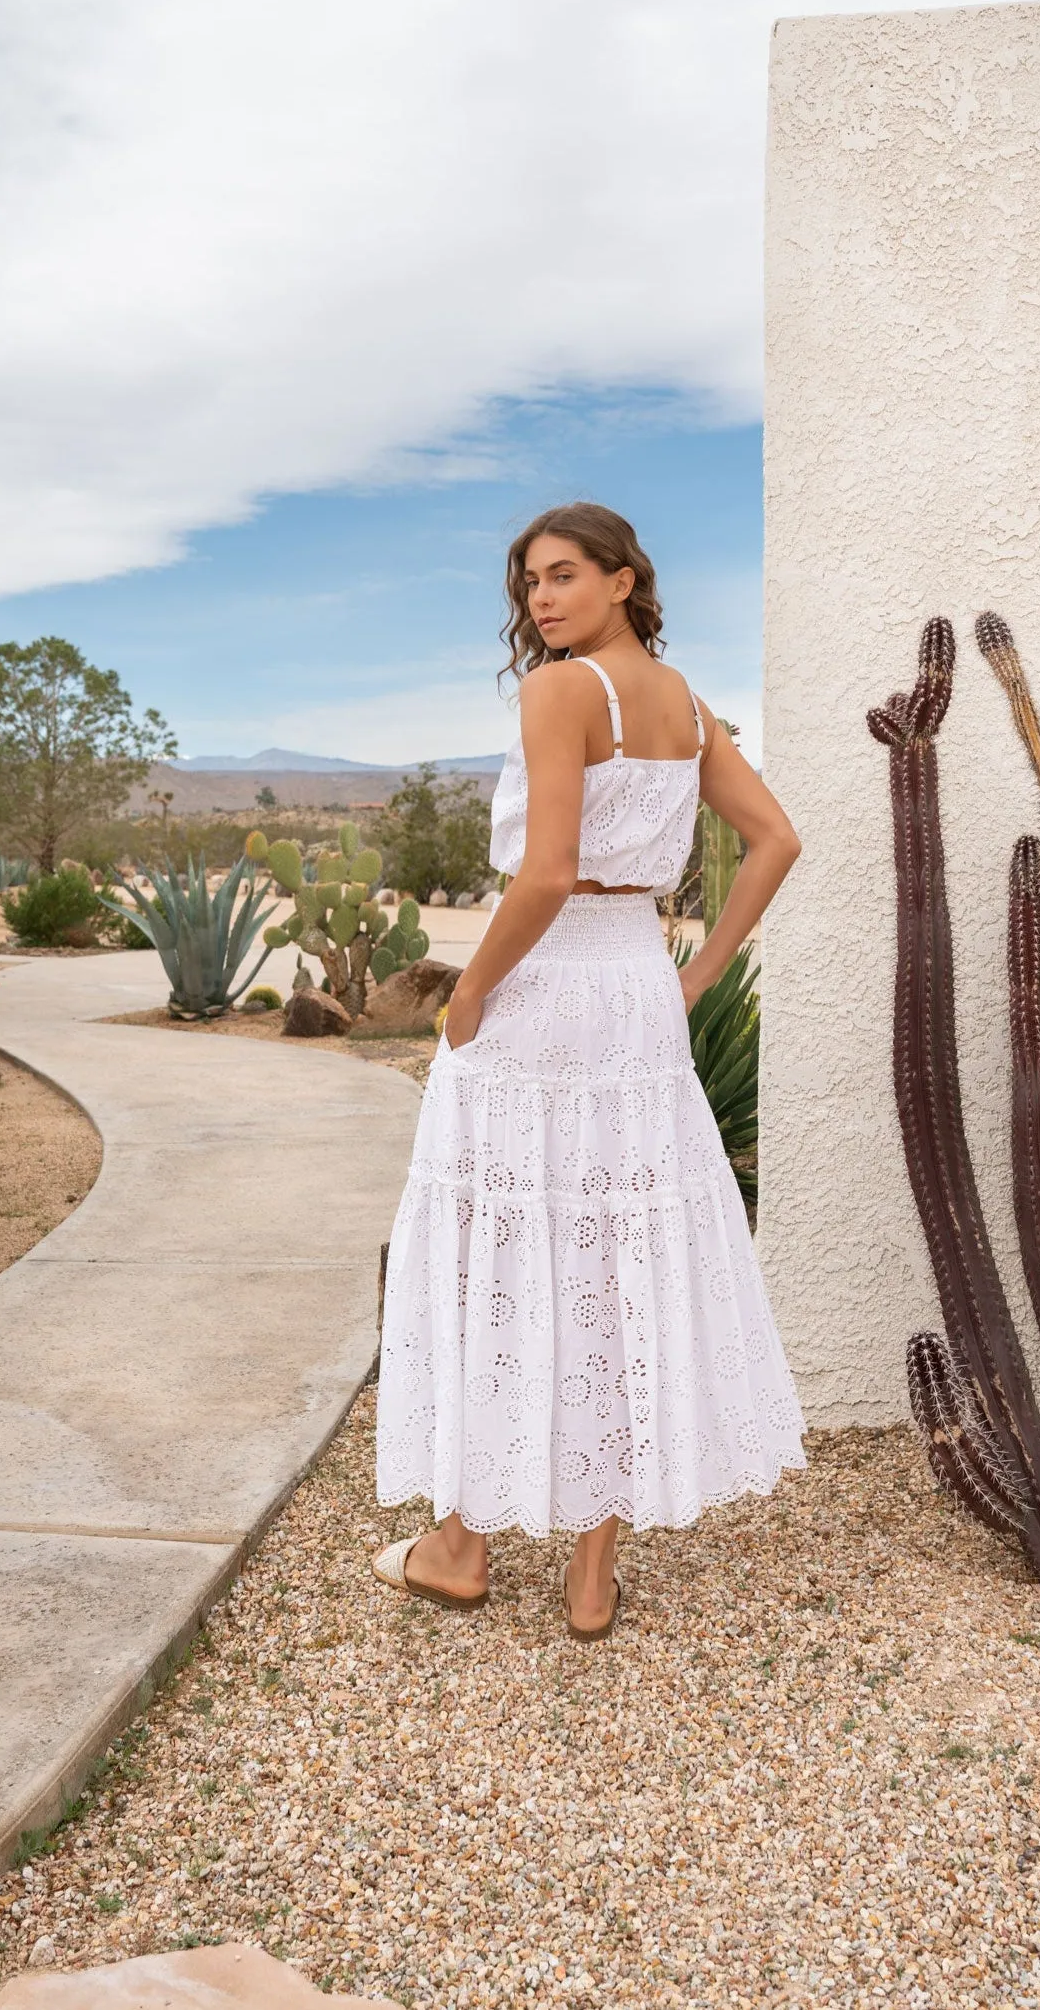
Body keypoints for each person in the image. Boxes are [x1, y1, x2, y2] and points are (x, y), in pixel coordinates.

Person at [373, 501, 806, 1637]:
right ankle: (591, 1576)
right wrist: (696, 972)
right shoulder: (684, 702)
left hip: (544, 987)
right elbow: (776, 838)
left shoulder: (561, 690)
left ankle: (460, 1546)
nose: (541, 598)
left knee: (496, 1245)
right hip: (635, 994)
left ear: (624, 579)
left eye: (564, 574)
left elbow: (548, 871)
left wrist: (470, 989)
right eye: (530, 582)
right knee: (615, 1255)